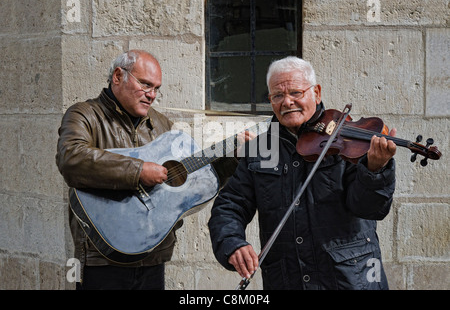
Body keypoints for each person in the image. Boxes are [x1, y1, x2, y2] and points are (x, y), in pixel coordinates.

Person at [56, 50, 249, 290]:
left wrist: (231, 157)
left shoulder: (160, 124)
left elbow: (192, 181)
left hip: (153, 255)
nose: (152, 95)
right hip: (102, 257)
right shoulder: (84, 115)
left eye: (156, 88)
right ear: (118, 76)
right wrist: (138, 170)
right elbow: (71, 158)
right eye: (145, 85)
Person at [208, 56, 397, 290]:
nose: (287, 102)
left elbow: (370, 208)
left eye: (296, 92)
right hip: (287, 279)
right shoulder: (262, 148)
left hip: (350, 279)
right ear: (270, 100)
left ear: (316, 93)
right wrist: (232, 243)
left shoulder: (346, 140)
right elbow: (230, 205)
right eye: (278, 96)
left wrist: (375, 170)